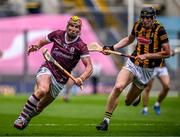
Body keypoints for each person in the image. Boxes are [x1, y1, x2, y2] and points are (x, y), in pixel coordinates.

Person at [96, 7, 171, 131]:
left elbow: (167, 52)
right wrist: (112, 48)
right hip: (132, 64)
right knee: (119, 87)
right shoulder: (137, 25)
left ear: (154, 18)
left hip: (147, 71)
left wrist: (147, 55)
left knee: (128, 101)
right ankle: (105, 121)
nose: (146, 20)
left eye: (149, 18)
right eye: (144, 17)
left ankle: (137, 96)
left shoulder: (160, 30)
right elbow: (128, 40)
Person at [14, 16, 93, 130]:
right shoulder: (57, 34)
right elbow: (42, 41)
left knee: (40, 107)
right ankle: (21, 117)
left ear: (79, 30)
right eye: (71, 25)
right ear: (67, 26)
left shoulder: (81, 46)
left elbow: (89, 67)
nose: (73, 29)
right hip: (48, 68)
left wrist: (81, 78)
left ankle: (28, 118)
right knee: (42, 90)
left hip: (61, 79)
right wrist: (35, 47)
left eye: (76, 27)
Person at [142, 50, 175, 115]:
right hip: (150, 67)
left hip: (162, 67)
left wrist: (171, 52)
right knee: (147, 88)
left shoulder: (162, 41)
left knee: (167, 87)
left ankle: (157, 104)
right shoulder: (150, 41)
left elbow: (168, 50)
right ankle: (145, 109)